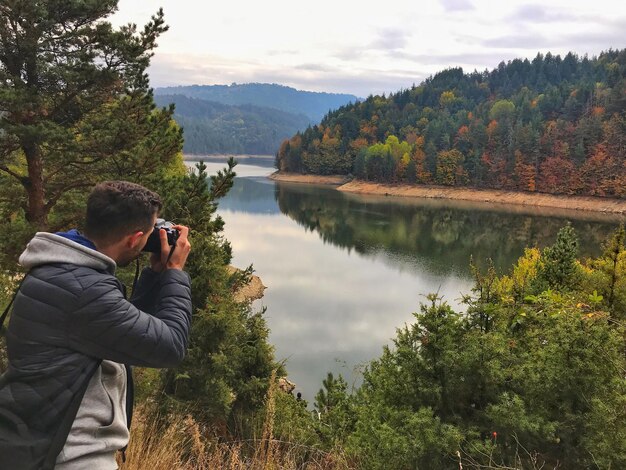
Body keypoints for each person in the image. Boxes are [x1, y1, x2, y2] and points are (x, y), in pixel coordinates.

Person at [0, 181, 193, 470]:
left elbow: (120, 330)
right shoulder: (83, 290)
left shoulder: (62, 270)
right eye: (151, 233)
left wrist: (155, 275)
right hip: (71, 455)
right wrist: (175, 274)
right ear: (133, 239)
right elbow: (171, 346)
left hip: (44, 441)